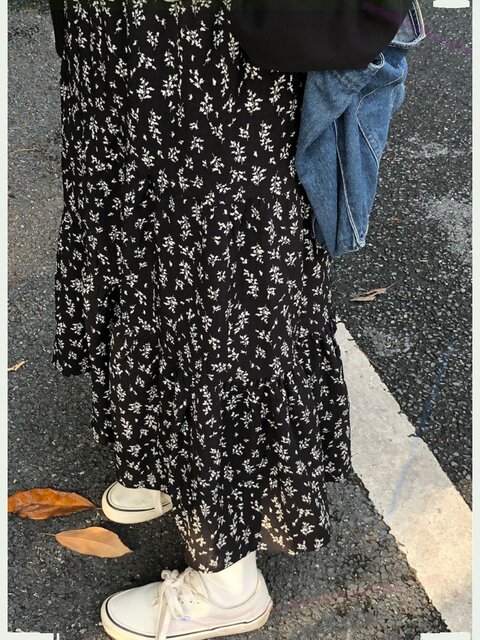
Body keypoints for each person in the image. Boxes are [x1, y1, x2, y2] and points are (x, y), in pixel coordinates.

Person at [49, 0, 353, 638]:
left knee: (220, 291)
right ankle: (167, 463)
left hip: (217, 53)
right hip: (120, 50)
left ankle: (228, 584)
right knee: (139, 256)